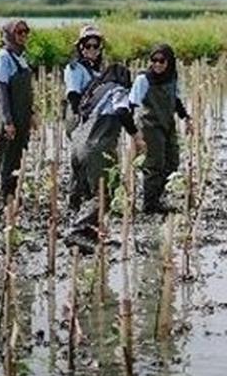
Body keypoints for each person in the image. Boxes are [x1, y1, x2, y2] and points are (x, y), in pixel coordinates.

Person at [67, 63, 141, 249]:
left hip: (77, 147)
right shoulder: (118, 90)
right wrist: (136, 136)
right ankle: (77, 231)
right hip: (96, 148)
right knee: (104, 193)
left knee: (84, 193)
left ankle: (88, 232)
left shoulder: (96, 92)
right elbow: (122, 110)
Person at [129, 43, 189, 215]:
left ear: (169, 62)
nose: (157, 64)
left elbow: (176, 100)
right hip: (149, 125)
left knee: (172, 161)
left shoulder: (172, 77)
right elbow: (132, 104)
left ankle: (157, 196)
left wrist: (186, 118)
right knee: (154, 165)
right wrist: (134, 132)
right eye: (154, 60)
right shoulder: (143, 79)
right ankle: (150, 204)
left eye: (162, 61)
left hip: (167, 123)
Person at [0, 19, 34, 203]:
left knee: (19, 155)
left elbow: (27, 92)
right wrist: (7, 121)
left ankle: (14, 194)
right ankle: (6, 197)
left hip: (23, 116)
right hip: (11, 117)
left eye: (26, 32)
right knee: (8, 158)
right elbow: (1, 90)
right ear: (10, 34)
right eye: (19, 32)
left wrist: (32, 115)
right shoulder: (4, 57)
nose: (23, 36)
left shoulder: (21, 57)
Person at [63, 24, 105, 129]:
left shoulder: (98, 71)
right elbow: (73, 93)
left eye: (95, 46)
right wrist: (77, 115)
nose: (92, 49)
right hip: (80, 118)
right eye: (88, 45)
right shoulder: (75, 67)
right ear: (81, 47)